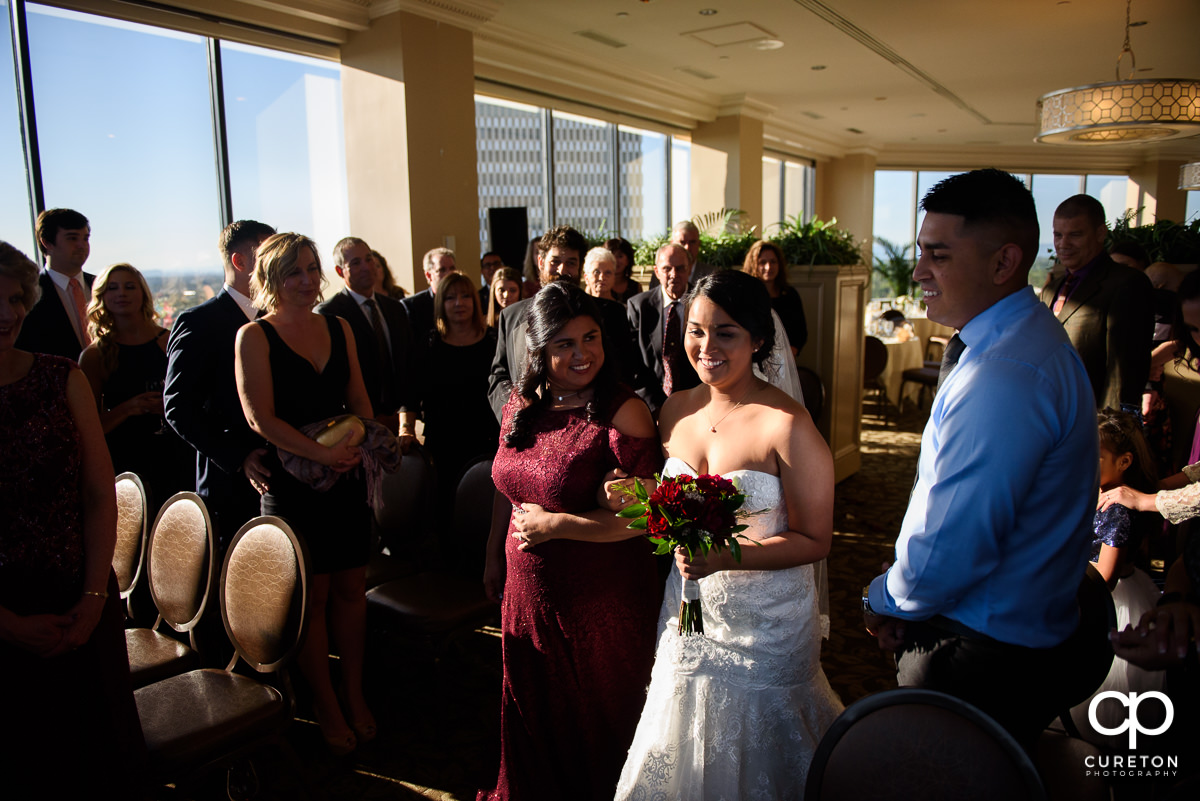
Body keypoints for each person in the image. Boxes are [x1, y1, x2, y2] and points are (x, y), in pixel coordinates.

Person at [863, 169, 1099, 750]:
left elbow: (954, 541)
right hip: (1006, 634)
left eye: (937, 254)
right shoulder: (1018, 339)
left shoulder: (1005, 373)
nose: (918, 271)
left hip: (978, 654)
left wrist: (886, 599)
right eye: (920, 251)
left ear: (1004, 262)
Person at [612, 269, 840, 797]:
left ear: (759, 339)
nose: (706, 346)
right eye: (695, 330)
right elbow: (667, 504)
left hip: (768, 625)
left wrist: (723, 559)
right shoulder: (675, 410)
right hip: (689, 611)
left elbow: (815, 540)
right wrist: (637, 496)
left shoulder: (787, 425)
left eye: (726, 332)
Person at [478, 282, 662, 801]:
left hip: (600, 601)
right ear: (538, 349)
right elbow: (503, 484)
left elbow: (647, 520)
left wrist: (559, 525)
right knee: (535, 708)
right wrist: (494, 551)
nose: (582, 354)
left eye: (591, 338)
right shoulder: (521, 404)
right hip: (527, 590)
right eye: (564, 344)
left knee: (598, 717)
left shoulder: (622, 411)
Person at [0, 241, 145, 797]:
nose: (8, 313)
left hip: (78, 589)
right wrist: (8, 625)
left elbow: (95, 491)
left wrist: (90, 602)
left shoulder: (60, 375)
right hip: (3, 608)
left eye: (16, 298)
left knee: (100, 754)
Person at [235, 232, 377, 756]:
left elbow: (359, 397)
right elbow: (259, 417)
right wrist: (320, 456)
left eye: (313, 269)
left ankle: (354, 692)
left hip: (346, 476)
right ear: (270, 278)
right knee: (311, 599)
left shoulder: (338, 326)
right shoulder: (253, 336)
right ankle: (325, 701)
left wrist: (359, 441)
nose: (306, 280)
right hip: (292, 485)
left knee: (350, 589)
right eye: (294, 271)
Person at [165, 219, 276, 547]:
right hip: (229, 481)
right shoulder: (198, 322)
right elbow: (178, 407)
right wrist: (238, 456)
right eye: (268, 253)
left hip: (282, 472)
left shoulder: (276, 318)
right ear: (240, 262)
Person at [1069, 409, 1164, 747]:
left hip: (1108, 602)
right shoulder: (1089, 491)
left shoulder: (1117, 509)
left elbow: (1105, 577)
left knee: (1106, 698)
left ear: (1124, 462)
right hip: (1083, 588)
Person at [78, 262, 193, 506]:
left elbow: (197, 403)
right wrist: (129, 408)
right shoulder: (95, 356)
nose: (121, 293)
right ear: (101, 297)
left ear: (143, 293)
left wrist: (172, 409)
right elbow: (88, 426)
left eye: (129, 287)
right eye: (112, 288)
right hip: (126, 460)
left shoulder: (169, 341)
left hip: (175, 454)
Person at [1041, 194, 1154, 412]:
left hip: (1094, 420)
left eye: (1075, 235)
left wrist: (1110, 431)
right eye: (1058, 235)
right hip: (1050, 414)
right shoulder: (1051, 289)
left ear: (1101, 233)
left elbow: (1124, 370)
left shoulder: (1127, 284)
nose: (1064, 244)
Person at [316, 237, 417, 449]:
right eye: (355, 263)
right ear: (339, 270)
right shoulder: (330, 314)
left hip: (399, 424)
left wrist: (405, 422)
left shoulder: (395, 309)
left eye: (369, 259)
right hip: (356, 428)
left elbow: (408, 366)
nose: (366, 267)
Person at [416, 272, 500, 504]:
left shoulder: (493, 341)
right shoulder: (429, 344)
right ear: (441, 303)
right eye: (450, 298)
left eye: (465, 296)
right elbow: (412, 392)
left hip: (486, 438)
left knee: (486, 508)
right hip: (443, 441)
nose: (459, 303)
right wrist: (404, 428)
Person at [488, 225, 587, 420]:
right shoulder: (511, 316)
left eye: (571, 263)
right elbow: (499, 377)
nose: (562, 270)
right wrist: (515, 409)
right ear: (540, 262)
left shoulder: (609, 315)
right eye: (555, 261)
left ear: (580, 267)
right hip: (528, 430)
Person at [627, 243, 700, 414]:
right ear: (657, 271)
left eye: (680, 268)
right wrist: (656, 409)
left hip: (698, 404)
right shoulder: (639, 307)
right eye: (667, 268)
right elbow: (633, 365)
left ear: (690, 269)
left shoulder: (704, 304)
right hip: (651, 408)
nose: (674, 275)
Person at [15, 208, 95, 359]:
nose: (82, 245)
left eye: (85, 238)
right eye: (72, 238)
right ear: (47, 242)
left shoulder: (102, 286)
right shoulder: (26, 294)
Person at [742, 238, 808, 356]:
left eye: (773, 261)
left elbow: (800, 332)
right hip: (752, 358)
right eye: (762, 262)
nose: (769, 267)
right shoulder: (746, 296)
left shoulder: (790, 294)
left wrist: (789, 354)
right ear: (753, 265)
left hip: (785, 359)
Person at [402, 246, 457, 343]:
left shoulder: (463, 300)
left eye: (452, 268)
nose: (449, 274)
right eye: (442, 270)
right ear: (429, 275)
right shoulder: (412, 306)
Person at [604, 236, 641, 303]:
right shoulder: (601, 284)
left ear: (628, 260)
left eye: (620, 256)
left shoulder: (636, 287)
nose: (615, 260)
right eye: (612, 256)